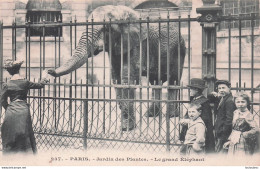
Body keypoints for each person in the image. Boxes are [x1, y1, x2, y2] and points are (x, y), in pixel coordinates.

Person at [0, 59, 48, 154]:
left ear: (10, 71)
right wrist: (44, 76)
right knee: (24, 133)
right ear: (19, 69)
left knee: (11, 133)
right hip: (23, 110)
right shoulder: (25, 82)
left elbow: (2, 100)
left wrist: (9, 108)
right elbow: (40, 85)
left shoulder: (7, 84)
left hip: (11, 111)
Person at [179, 78, 215, 153]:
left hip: (198, 132)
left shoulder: (204, 102)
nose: (190, 91)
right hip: (192, 130)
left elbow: (205, 119)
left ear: (197, 90)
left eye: (191, 89)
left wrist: (188, 121)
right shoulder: (194, 99)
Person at [208, 80, 236, 153]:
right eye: (219, 88)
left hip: (224, 133)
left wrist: (223, 134)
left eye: (223, 88)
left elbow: (229, 120)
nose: (221, 90)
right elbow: (210, 96)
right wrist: (217, 95)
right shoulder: (222, 98)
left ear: (229, 88)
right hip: (219, 130)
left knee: (222, 154)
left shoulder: (229, 101)